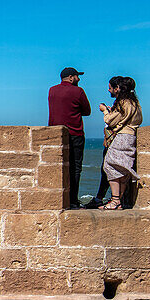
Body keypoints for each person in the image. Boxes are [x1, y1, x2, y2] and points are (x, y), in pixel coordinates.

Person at [48, 67, 91, 208]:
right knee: (76, 167)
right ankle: (72, 200)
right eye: (78, 77)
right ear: (71, 77)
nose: (79, 79)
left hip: (55, 134)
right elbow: (87, 111)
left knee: (57, 167)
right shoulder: (78, 91)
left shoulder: (52, 90)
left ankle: (57, 199)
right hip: (75, 133)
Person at [98, 76, 143, 210]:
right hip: (131, 137)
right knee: (123, 168)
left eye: (111, 87)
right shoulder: (135, 103)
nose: (108, 89)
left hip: (122, 137)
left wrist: (105, 111)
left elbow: (110, 121)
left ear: (117, 89)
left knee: (109, 165)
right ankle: (117, 201)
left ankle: (115, 200)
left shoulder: (122, 103)